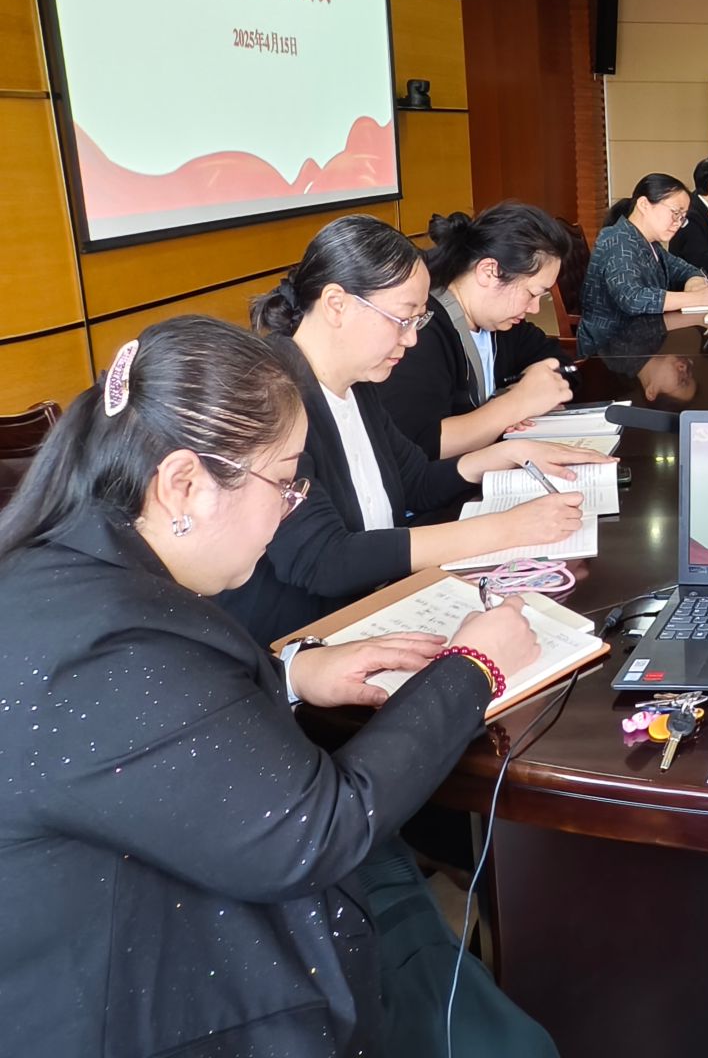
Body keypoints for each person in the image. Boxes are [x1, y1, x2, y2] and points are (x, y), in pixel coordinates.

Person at [0, 316, 557, 1058]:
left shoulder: (77, 563)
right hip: (162, 991)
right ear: (184, 485)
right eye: (286, 482)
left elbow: (151, 740)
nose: (292, 506)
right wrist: (473, 667)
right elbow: (316, 831)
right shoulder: (103, 645)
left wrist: (294, 674)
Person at [219, 216, 596, 646]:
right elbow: (325, 559)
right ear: (337, 304)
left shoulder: (357, 382)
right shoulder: (271, 399)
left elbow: (414, 481)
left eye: (418, 320)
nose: (412, 340)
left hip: (376, 609)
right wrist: (507, 529)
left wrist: (505, 455)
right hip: (304, 645)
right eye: (402, 319)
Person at [381, 203, 574, 460]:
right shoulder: (420, 333)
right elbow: (421, 444)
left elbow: (560, 362)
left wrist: (533, 386)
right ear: (489, 272)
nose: (535, 308)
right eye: (532, 293)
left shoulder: (503, 325)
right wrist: (515, 405)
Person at [580, 172, 708, 353]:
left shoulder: (650, 243)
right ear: (644, 204)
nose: (678, 223)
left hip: (641, 341)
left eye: (682, 217)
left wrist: (695, 283)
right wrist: (697, 298)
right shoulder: (617, 239)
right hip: (610, 351)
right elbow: (633, 298)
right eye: (675, 213)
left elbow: (685, 269)